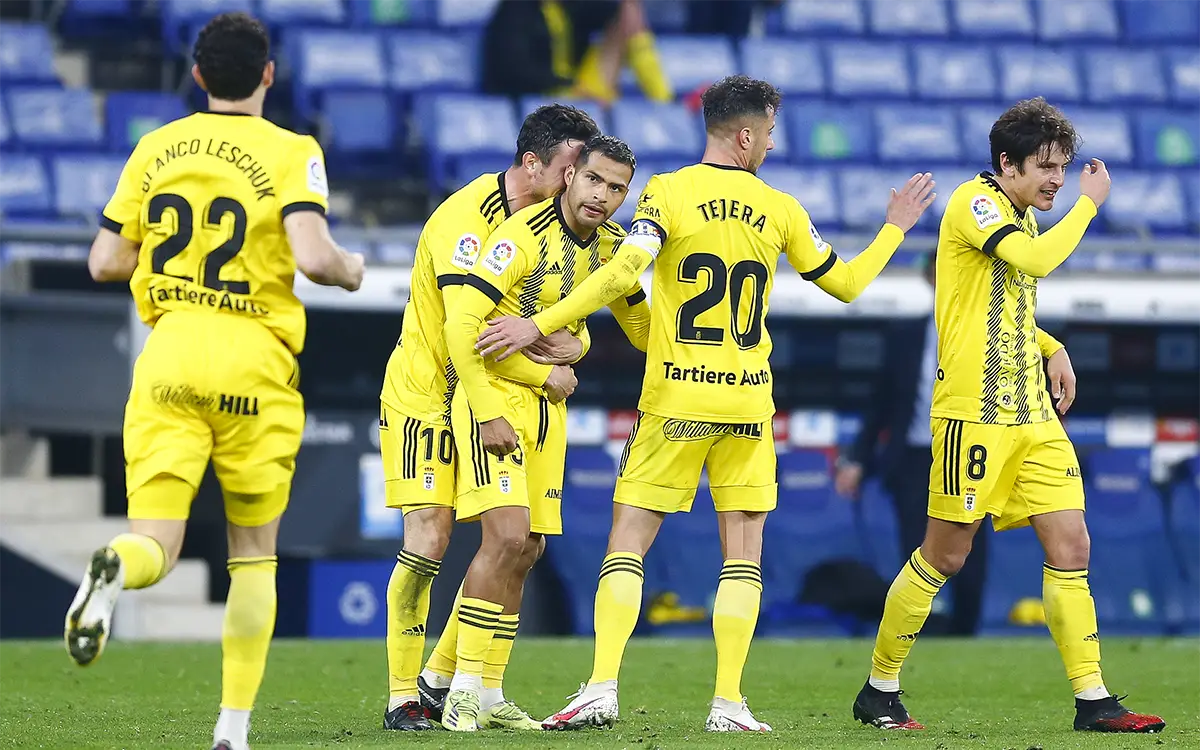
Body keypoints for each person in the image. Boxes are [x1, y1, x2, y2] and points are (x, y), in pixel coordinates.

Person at [475, 74, 935, 733]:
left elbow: (621, 273)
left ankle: (601, 687)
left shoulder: (667, 193)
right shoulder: (781, 209)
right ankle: (728, 703)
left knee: (629, 542)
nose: (771, 145)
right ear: (745, 136)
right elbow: (848, 284)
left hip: (676, 399)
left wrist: (536, 322)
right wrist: (893, 229)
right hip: (746, 405)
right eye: (769, 133)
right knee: (742, 554)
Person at [64, 13, 364, 750]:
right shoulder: (292, 150)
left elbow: (104, 261)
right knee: (253, 553)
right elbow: (314, 257)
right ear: (268, 75)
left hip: (169, 351)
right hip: (252, 356)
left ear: (197, 76)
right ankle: (232, 729)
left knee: (156, 542)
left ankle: (115, 566)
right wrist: (352, 270)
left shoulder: (155, 146)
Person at [850, 97, 1165, 734]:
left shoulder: (1019, 213)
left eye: (1064, 167)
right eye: (1045, 166)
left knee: (1072, 544)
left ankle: (1093, 700)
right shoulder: (976, 203)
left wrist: (1051, 345)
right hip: (974, 414)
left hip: (1033, 415)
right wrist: (1089, 204)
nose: (1057, 179)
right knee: (945, 556)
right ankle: (879, 689)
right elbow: (1035, 263)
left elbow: (1003, 303)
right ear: (1007, 163)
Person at [377, 104, 600, 731]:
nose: (578, 182)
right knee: (429, 538)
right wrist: (546, 374)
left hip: (491, 394)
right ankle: (402, 697)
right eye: (570, 168)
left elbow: (564, 322)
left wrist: (577, 346)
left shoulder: (555, 229)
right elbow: (465, 334)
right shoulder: (466, 222)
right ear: (532, 163)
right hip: (429, 395)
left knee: (517, 545)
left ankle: (442, 679)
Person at [439, 134, 649, 732]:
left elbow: (643, 331)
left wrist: (581, 343)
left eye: (616, 188)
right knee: (505, 538)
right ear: (571, 176)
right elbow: (462, 328)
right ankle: (460, 691)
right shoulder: (521, 236)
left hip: (548, 410)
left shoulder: (610, 250)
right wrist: (488, 410)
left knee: (529, 548)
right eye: (594, 180)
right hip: (494, 401)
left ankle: (489, 691)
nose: (602, 196)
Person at [835, 252, 1078, 637]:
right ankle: (911, 631)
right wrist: (857, 459)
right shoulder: (904, 336)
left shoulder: (993, 331)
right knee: (916, 544)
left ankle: (966, 629)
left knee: (970, 543)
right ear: (930, 279)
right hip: (914, 455)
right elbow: (881, 404)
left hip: (972, 449)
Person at [481, 0, 671, 104]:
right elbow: (513, 69)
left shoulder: (568, 6)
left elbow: (617, 14)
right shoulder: (514, 10)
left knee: (627, 11)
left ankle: (663, 100)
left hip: (575, 90)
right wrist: (568, 84)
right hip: (540, 94)